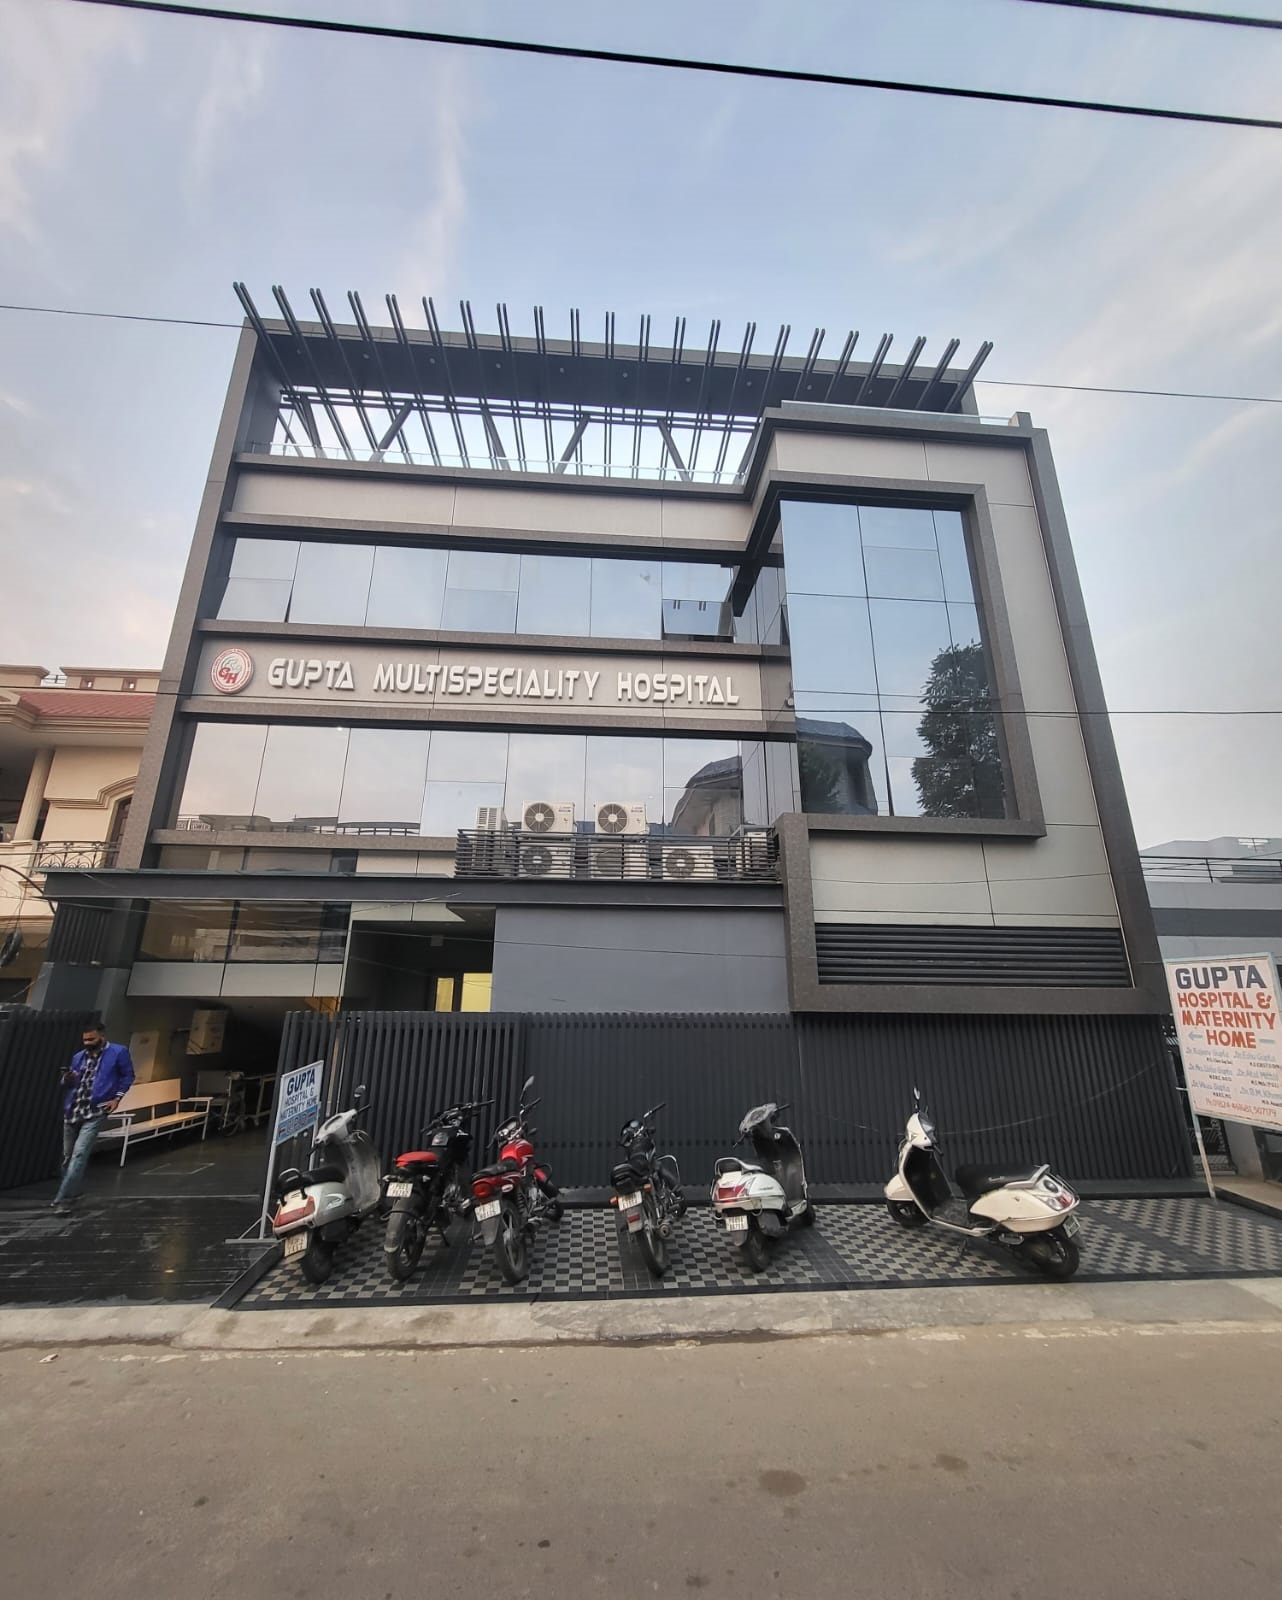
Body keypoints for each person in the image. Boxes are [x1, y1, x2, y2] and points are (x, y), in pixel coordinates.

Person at [53, 1023, 134, 1214]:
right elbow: (69, 1084)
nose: (87, 1043)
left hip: (96, 1110)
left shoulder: (118, 1052)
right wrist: (67, 1078)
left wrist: (117, 1098)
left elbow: (128, 1075)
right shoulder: (78, 1057)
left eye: (91, 1039)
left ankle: (63, 1199)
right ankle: (72, 1193)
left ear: (102, 1037)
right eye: (85, 1040)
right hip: (73, 1110)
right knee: (67, 1157)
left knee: (79, 1154)